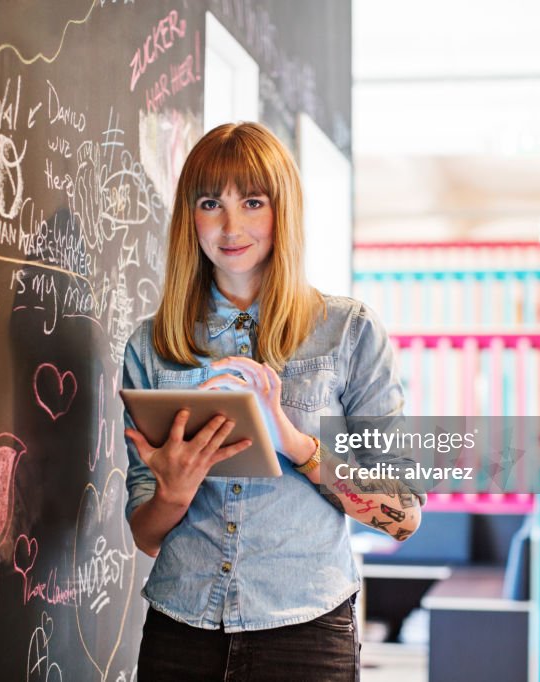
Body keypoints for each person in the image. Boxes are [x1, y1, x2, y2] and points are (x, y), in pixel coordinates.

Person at [122, 122, 425, 681]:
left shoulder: (347, 332)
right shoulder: (153, 344)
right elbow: (145, 533)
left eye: (253, 202)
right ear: (190, 217)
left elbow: (404, 515)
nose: (231, 226)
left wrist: (290, 439)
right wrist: (175, 489)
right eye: (211, 203)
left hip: (306, 631)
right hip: (180, 629)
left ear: (281, 212)